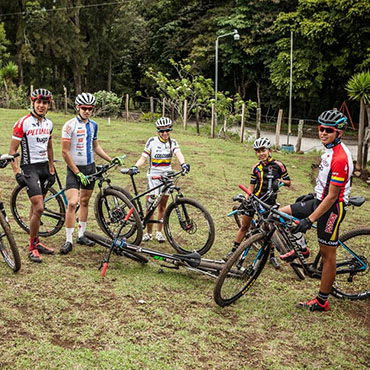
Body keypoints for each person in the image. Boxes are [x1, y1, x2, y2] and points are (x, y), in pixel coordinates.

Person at [279, 110, 353, 312]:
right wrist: (311, 195)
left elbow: (332, 196)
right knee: (280, 215)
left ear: (339, 133)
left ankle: (322, 302)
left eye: (328, 130)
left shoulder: (340, 158)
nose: (323, 133)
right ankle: (302, 248)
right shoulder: (328, 150)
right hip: (319, 199)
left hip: (332, 209)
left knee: (328, 255)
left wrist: (309, 220)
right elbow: (324, 184)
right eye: (321, 129)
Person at [60, 92, 125, 254]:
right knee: (73, 203)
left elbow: (96, 147)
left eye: (90, 108)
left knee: (84, 202)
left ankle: (81, 234)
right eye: (84, 108)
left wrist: (111, 159)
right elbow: (65, 152)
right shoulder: (69, 126)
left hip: (90, 168)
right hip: (74, 169)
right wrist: (76, 172)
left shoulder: (93, 125)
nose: (87, 111)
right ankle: (68, 239)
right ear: (77, 108)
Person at [224, 137, 291, 268]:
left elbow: (288, 181)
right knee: (244, 226)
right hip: (255, 200)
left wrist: (281, 182)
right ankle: (233, 252)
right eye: (258, 151)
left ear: (270, 150)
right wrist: (246, 199)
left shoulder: (279, 165)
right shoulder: (256, 168)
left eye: (263, 150)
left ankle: (271, 256)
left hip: (268, 203)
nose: (261, 153)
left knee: (269, 229)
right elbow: (251, 187)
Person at [9, 88, 56, 263]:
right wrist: (16, 173)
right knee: (39, 208)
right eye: (39, 102)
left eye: (45, 103)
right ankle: (32, 247)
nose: (42, 106)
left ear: (48, 104)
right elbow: (12, 151)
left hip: (44, 168)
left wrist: (51, 168)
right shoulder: (23, 123)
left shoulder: (49, 124)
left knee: (36, 208)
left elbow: (50, 146)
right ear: (33, 102)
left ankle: (36, 240)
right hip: (29, 169)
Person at [130, 117, 190, 243]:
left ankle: (159, 232)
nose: (165, 133)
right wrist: (136, 166)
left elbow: (179, 154)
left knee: (162, 206)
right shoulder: (151, 141)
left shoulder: (173, 142)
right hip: (153, 177)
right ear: (158, 131)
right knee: (150, 206)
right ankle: (148, 233)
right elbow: (143, 157)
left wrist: (183, 164)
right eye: (162, 131)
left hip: (167, 176)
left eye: (167, 130)